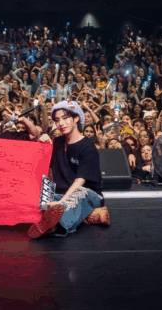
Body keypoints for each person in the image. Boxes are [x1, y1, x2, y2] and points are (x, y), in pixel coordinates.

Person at [28, 100, 106, 238]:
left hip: (88, 193)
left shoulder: (88, 147)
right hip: (60, 193)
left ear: (76, 118)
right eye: (57, 120)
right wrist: (42, 139)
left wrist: (62, 201)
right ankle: (89, 216)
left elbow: (79, 181)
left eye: (65, 118)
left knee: (76, 198)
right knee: (37, 202)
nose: (61, 124)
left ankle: (55, 225)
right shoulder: (56, 142)